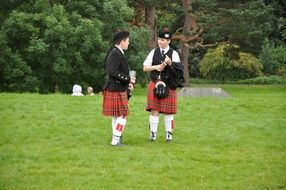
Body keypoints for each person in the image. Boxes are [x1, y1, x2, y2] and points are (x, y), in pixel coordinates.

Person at [143, 28, 182, 143]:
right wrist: (155, 67)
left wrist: (170, 63)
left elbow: (179, 71)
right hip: (155, 83)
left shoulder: (174, 54)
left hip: (169, 85)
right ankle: (153, 135)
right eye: (160, 39)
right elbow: (145, 67)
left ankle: (169, 134)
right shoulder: (153, 52)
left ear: (169, 41)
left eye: (163, 40)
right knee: (154, 110)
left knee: (168, 111)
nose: (160, 42)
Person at [102, 30, 136, 146]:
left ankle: (116, 138)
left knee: (117, 115)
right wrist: (128, 79)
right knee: (122, 114)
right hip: (115, 88)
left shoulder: (117, 52)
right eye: (127, 41)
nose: (128, 43)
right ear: (122, 42)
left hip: (117, 87)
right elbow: (112, 72)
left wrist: (128, 82)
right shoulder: (116, 53)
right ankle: (115, 140)